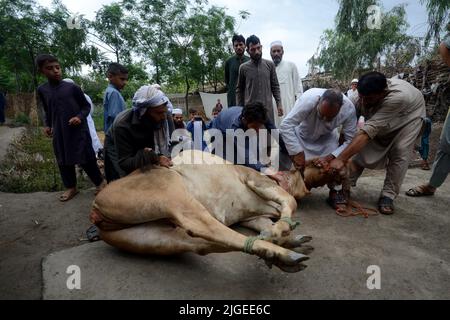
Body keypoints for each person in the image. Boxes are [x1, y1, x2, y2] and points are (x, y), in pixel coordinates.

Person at [329, 71, 426, 215]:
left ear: (383, 93)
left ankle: (388, 195)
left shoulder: (397, 98)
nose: (365, 102)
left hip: (409, 117)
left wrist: (340, 159)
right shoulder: (358, 96)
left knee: (400, 150)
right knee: (360, 147)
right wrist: (337, 154)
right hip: (383, 118)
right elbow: (348, 129)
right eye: (362, 97)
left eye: (369, 99)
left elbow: (368, 132)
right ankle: (346, 185)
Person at [36, 54, 106, 202]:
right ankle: (71, 187)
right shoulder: (42, 90)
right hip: (60, 132)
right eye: (50, 68)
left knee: (86, 158)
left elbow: (86, 107)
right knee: (63, 159)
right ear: (41, 71)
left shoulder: (72, 88)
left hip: (78, 131)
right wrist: (48, 125)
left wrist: (79, 117)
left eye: (57, 67)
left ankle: (100, 184)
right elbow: (48, 110)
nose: (56, 71)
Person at [280, 89, 356, 208]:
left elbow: (350, 140)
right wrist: (297, 152)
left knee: (337, 165)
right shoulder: (308, 99)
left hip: (327, 139)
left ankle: (335, 191)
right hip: (301, 136)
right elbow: (286, 125)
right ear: (318, 101)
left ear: (341, 107)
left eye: (330, 117)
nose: (325, 120)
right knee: (301, 172)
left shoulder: (349, 109)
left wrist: (332, 156)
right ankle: (290, 186)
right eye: (322, 114)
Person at [406, 36, 450, 198]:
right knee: (446, 145)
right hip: (423, 121)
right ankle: (432, 185)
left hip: (424, 121)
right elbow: (445, 45)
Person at [104, 85, 173, 183]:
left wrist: (161, 157)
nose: (163, 117)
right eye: (158, 113)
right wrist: (149, 157)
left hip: (146, 150)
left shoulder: (165, 116)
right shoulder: (122, 126)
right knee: (126, 181)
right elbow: (124, 162)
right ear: (144, 112)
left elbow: (172, 143)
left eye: (164, 112)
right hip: (117, 146)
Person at [210, 103, 289, 188]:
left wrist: (287, 150)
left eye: (259, 127)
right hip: (220, 133)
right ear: (245, 120)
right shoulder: (235, 127)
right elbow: (247, 157)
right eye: (255, 127)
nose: (258, 131)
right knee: (234, 166)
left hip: (234, 124)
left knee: (256, 157)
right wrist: (268, 171)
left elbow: (274, 131)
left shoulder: (260, 115)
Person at [236, 35, 283, 125]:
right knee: (253, 136)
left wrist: (279, 104)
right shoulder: (243, 68)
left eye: (258, 48)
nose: (257, 52)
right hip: (250, 112)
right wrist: (239, 109)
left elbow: (275, 86)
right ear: (248, 51)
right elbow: (239, 90)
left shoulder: (270, 65)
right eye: (253, 49)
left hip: (267, 110)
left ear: (261, 47)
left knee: (270, 136)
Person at [63, 79, 103, 156]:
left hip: (86, 119)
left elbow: (89, 108)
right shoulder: (66, 97)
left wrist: (82, 116)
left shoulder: (83, 96)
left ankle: (96, 153)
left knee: (91, 137)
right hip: (75, 122)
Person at [270, 40, 303, 128]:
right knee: (275, 134)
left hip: (289, 108)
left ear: (282, 52)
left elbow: (298, 88)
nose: (276, 53)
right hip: (273, 108)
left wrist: (298, 107)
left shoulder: (291, 66)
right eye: (274, 51)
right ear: (270, 53)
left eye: (278, 51)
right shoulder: (268, 67)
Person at [224, 34, 250, 107]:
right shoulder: (229, 62)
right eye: (236, 45)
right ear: (233, 47)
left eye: (241, 44)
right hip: (233, 98)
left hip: (248, 97)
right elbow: (227, 80)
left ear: (245, 46)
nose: (238, 47)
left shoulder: (250, 61)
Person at [103, 63, 128, 133]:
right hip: (116, 135)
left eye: (126, 79)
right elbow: (117, 117)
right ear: (110, 76)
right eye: (122, 79)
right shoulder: (114, 93)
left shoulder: (110, 91)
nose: (125, 82)